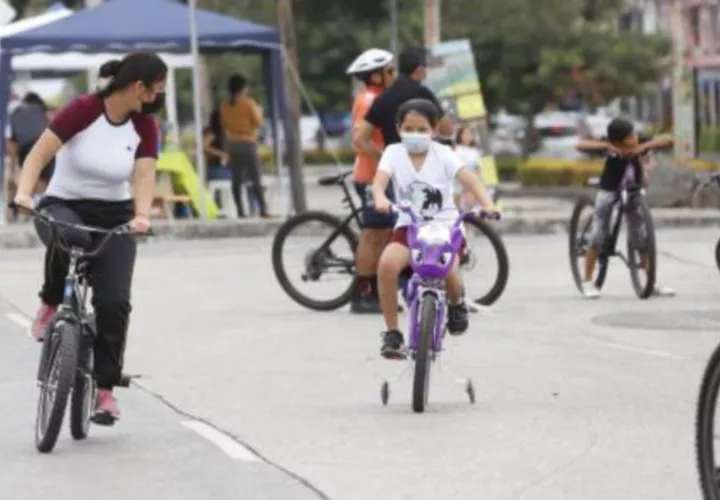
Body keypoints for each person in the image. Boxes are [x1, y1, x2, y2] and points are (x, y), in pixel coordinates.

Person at [13, 51, 165, 425]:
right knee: (70, 235)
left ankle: (105, 391)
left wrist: (141, 215)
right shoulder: (83, 110)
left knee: (114, 302)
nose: (160, 95)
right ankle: (50, 301)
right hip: (64, 204)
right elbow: (37, 155)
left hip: (114, 214)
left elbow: (144, 177)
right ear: (137, 86)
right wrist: (23, 193)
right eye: (157, 87)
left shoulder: (145, 126)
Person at [371, 99, 499, 359]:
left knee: (447, 267)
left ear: (433, 130)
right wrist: (380, 199)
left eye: (421, 129)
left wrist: (488, 204)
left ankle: (456, 304)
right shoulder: (393, 153)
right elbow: (379, 183)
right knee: (386, 265)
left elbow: (470, 178)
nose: (415, 135)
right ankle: (393, 334)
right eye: (409, 128)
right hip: (410, 225)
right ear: (398, 128)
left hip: (444, 226)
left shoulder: (444, 154)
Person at [575, 117, 675, 299]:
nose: (635, 137)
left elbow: (668, 139)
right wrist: (607, 148)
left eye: (635, 134)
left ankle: (651, 280)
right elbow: (581, 145)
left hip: (633, 191)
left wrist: (644, 147)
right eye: (630, 137)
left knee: (641, 236)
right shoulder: (609, 144)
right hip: (609, 190)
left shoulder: (639, 142)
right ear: (617, 140)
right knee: (598, 233)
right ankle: (587, 280)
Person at [346, 48, 396, 313]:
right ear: (376, 76)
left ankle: (378, 291)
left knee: (383, 233)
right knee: (372, 235)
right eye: (390, 71)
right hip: (369, 175)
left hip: (380, 175)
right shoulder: (368, 100)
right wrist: (384, 159)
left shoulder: (381, 97)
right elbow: (359, 140)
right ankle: (362, 292)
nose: (394, 75)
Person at [220, 74, 269, 218]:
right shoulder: (248, 103)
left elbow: (225, 125)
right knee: (255, 178)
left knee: (236, 179)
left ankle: (240, 211)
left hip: (233, 144)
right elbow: (259, 122)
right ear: (242, 88)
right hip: (248, 143)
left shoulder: (225, 105)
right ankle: (263, 209)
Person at [8, 92, 53, 203]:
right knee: (44, 177)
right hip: (44, 143)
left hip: (25, 147)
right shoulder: (41, 110)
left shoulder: (15, 113)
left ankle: (34, 200)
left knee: (31, 175)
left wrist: (11, 171)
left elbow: (13, 146)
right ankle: (40, 200)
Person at [453, 125, 485, 210]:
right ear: (460, 136)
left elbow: (479, 168)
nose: (468, 136)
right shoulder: (458, 150)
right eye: (465, 134)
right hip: (463, 182)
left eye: (470, 134)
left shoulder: (475, 151)